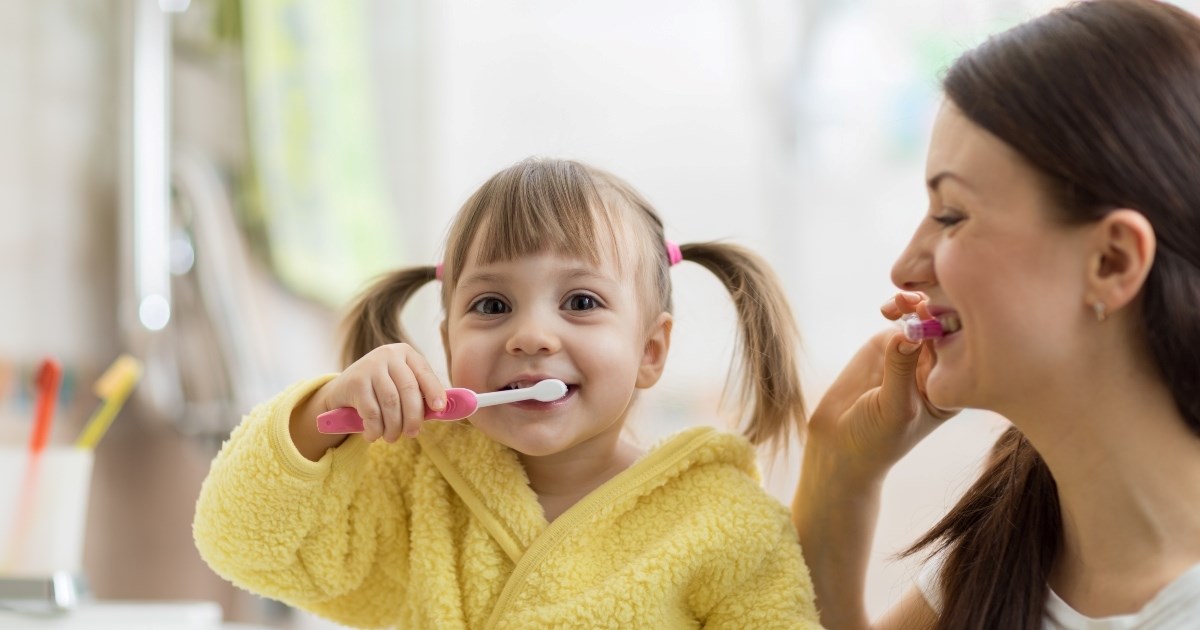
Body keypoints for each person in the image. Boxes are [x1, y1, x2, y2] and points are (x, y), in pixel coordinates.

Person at [194, 157, 821, 628]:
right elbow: (244, 545)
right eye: (492, 305)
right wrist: (317, 414)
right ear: (446, 343)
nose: (530, 335)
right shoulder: (415, 483)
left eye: (580, 302)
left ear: (649, 352)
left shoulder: (726, 522)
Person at [792, 1, 1200, 628]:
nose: (905, 269)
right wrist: (836, 474)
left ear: (1113, 262)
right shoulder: (1002, 552)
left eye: (952, 215)